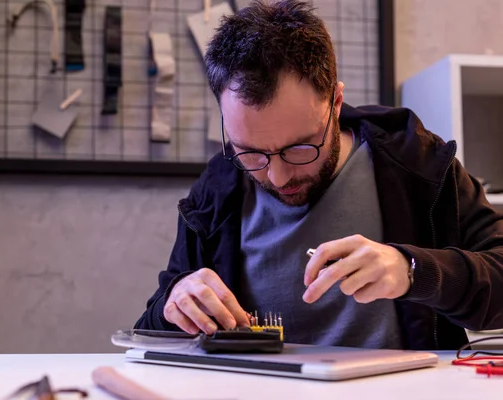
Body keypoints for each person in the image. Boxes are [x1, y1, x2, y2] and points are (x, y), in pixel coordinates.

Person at [134, 0, 503, 350]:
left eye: (299, 147)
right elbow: (148, 332)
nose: (278, 177)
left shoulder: (419, 165)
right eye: (251, 152)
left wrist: (413, 270)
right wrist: (176, 303)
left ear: (336, 103)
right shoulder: (214, 196)